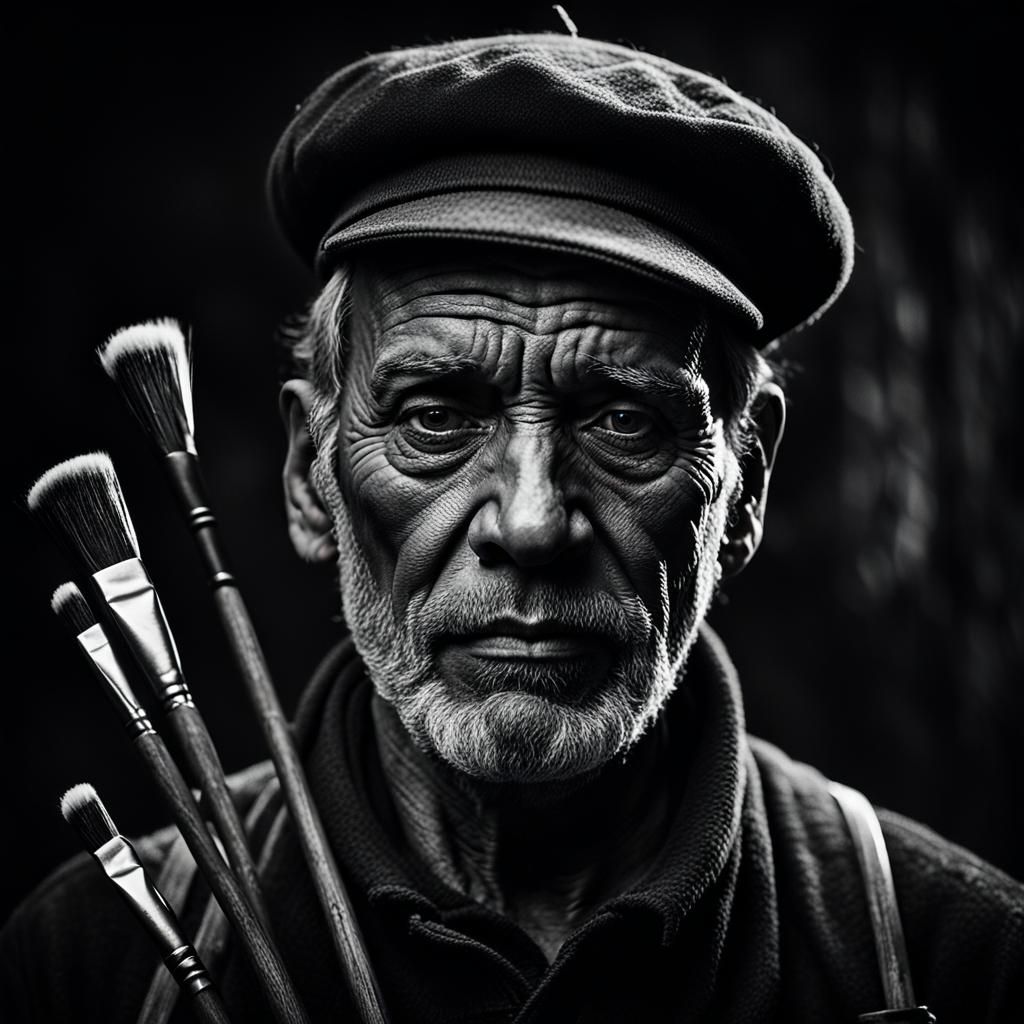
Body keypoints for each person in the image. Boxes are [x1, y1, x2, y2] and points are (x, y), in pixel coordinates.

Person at [2, 32, 1021, 1024]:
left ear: (742, 482)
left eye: (623, 419)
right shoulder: (98, 963)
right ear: (311, 473)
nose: (532, 521)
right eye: (435, 416)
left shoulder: (958, 955)